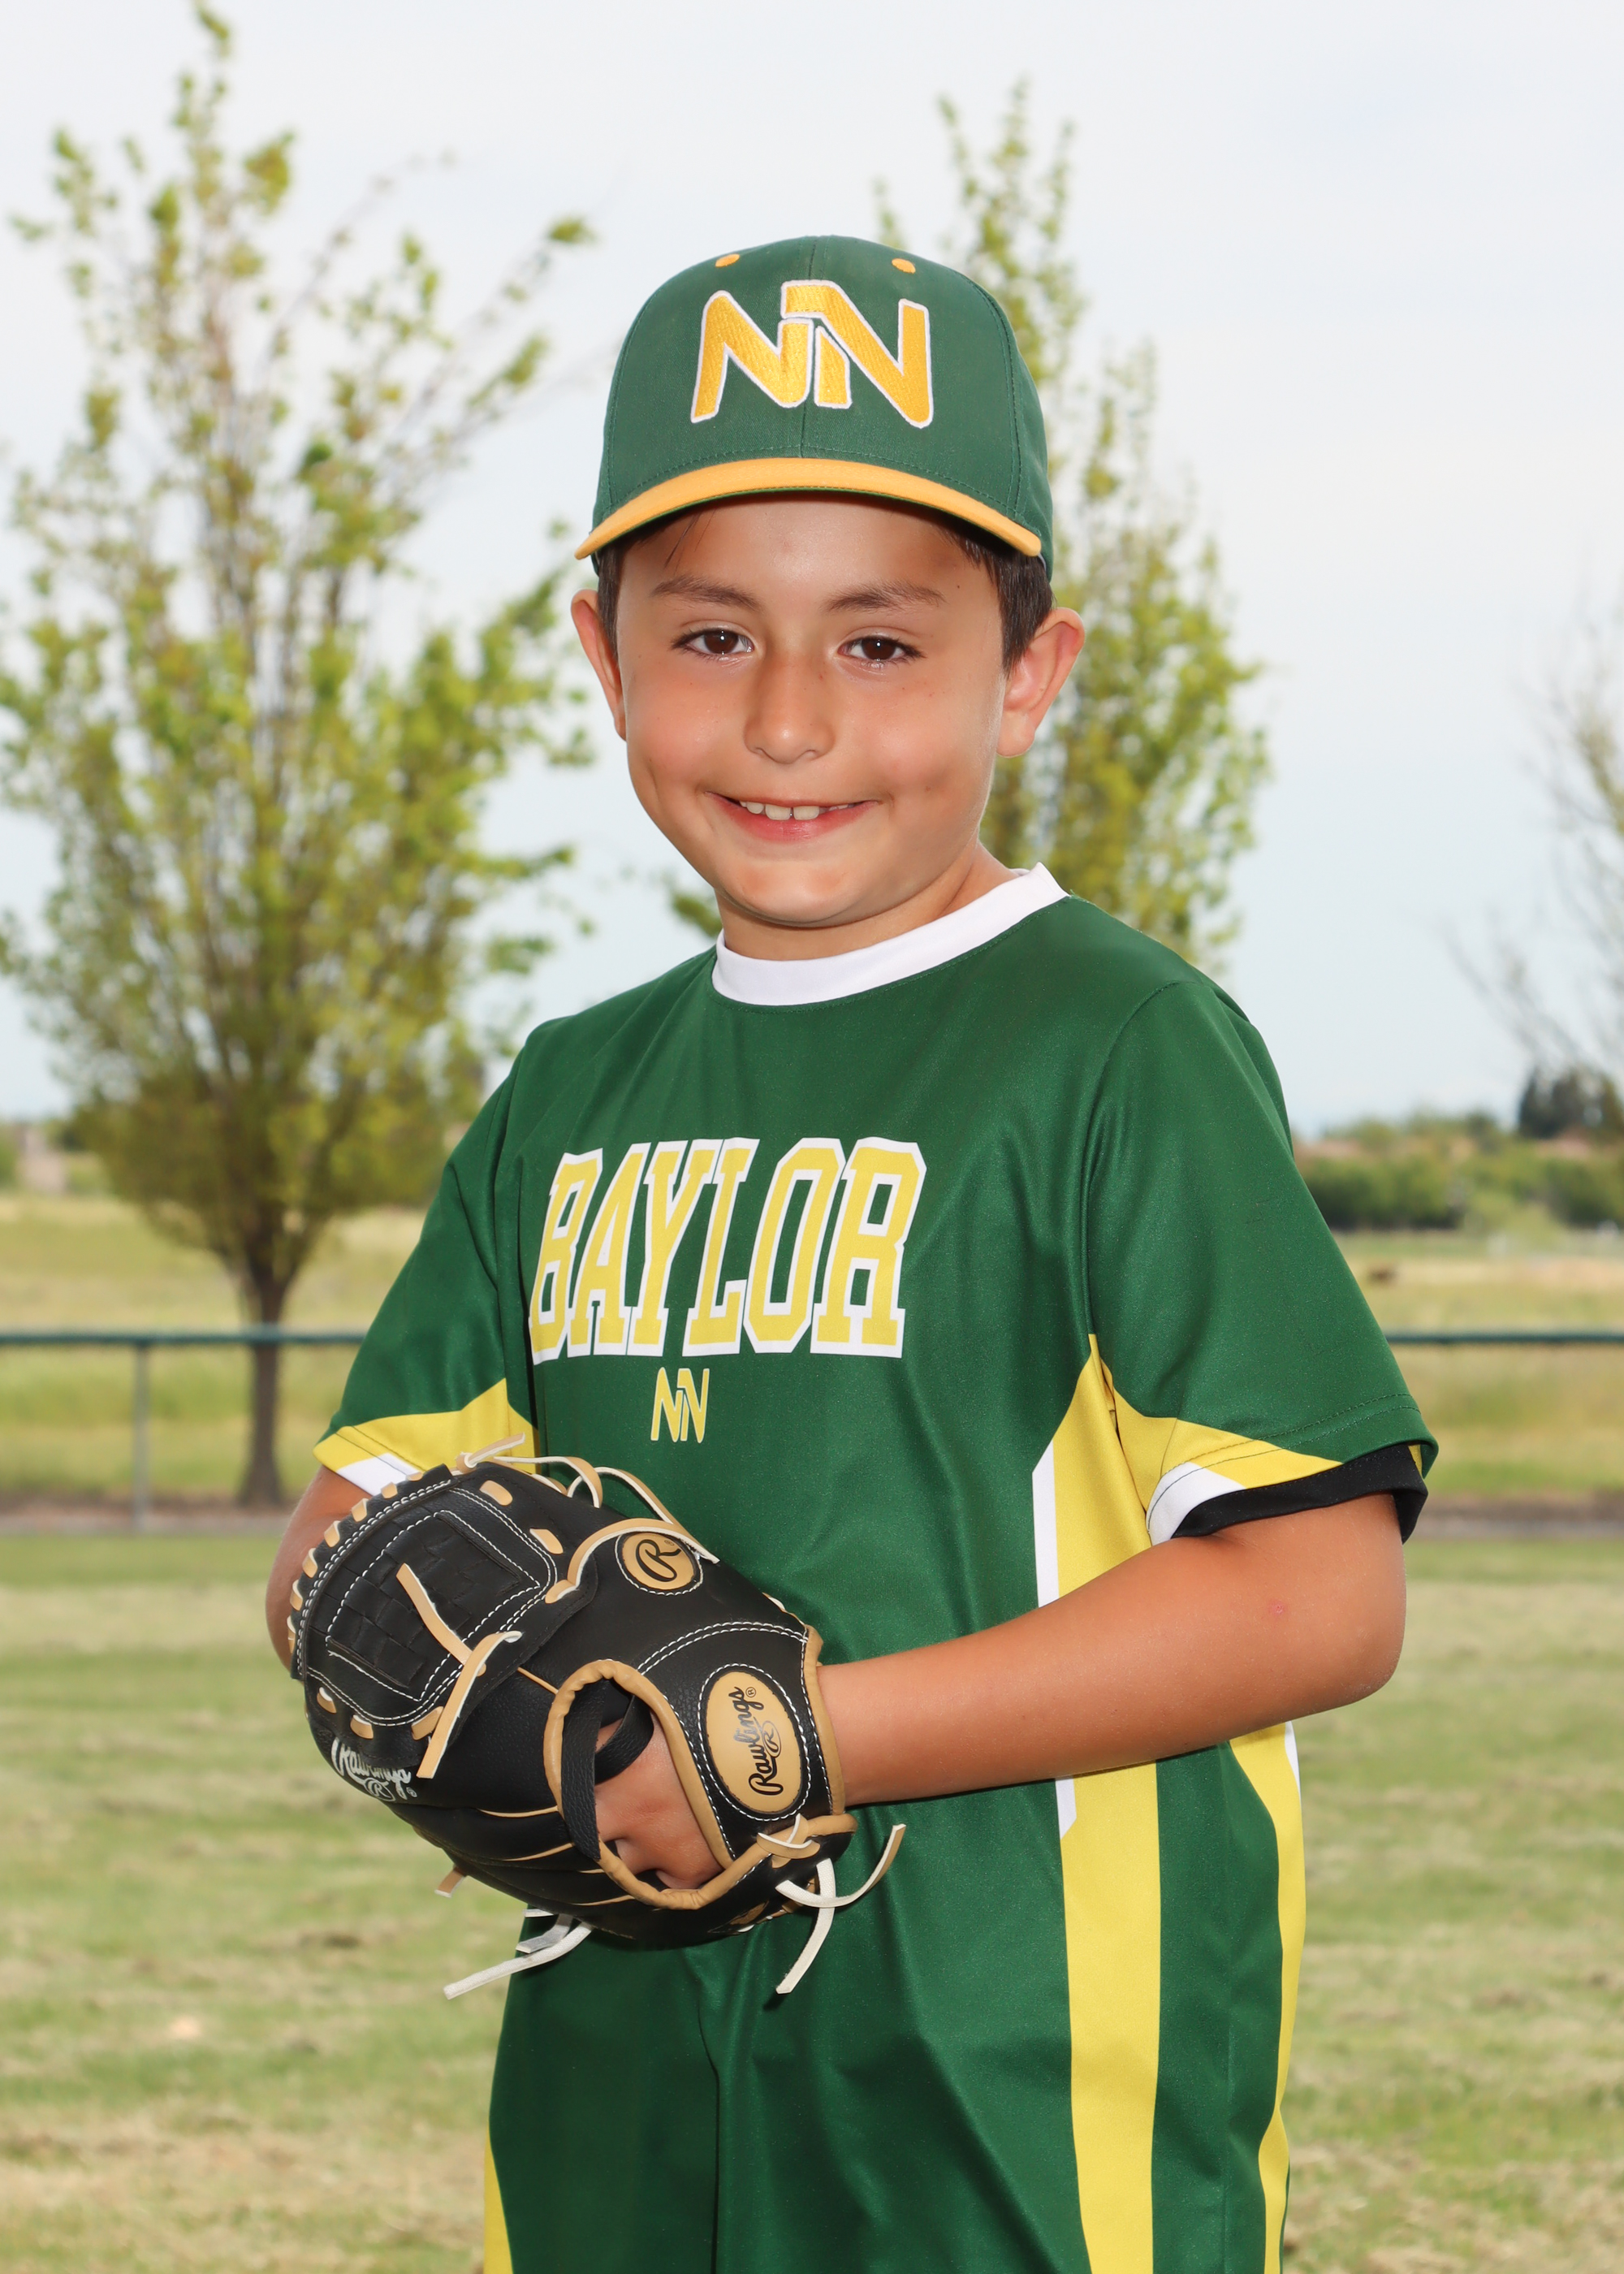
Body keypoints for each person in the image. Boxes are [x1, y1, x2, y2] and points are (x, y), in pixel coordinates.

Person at [266, 235, 1433, 2274]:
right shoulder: (570, 1087)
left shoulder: (1113, 1045)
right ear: (602, 656)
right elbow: (342, 1540)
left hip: (1009, 2099)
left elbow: (1317, 1592)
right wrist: (480, 1707)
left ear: (1031, 672)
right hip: (616, 2081)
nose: (790, 718)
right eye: (711, 634)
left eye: (881, 642)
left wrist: (789, 1738)